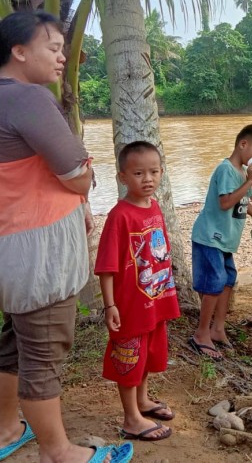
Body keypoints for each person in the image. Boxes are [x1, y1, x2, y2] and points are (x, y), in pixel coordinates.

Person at [0, 11, 131, 463]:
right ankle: (58, 452)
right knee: (42, 354)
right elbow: (77, 174)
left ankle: (6, 431)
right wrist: (85, 179)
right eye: (53, 48)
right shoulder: (28, 97)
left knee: (15, 344)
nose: (62, 58)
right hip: (37, 261)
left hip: (4, 251)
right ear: (19, 52)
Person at [95, 141, 180, 443]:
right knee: (129, 358)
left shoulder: (154, 206)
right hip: (130, 306)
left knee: (147, 355)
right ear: (122, 177)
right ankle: (131, 418)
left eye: (154, 172)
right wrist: (110, 306)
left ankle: (142, 401)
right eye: (139, 173)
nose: (148, 179)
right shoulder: (119, 216)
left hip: (154, 299)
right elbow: (106, 267)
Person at [190, 124, 252, 358]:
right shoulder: (226, 169)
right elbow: (225, 202)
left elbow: (246, 203)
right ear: (243, 144)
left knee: (228, 280)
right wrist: (250, 181)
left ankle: (218, 329)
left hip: (225, 240)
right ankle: (201, 333)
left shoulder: (242, 172)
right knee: (214, 282)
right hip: (210, 237)